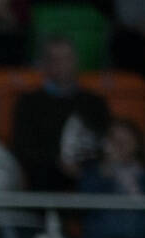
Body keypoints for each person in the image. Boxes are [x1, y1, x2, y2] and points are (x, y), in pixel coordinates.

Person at [12, 36, 112, 192]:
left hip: (90, 180)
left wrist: (84, 168)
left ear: (76, 61)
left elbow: (104, 141)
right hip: (42, 181)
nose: (62, 65)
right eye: (55, 59)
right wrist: (58, 164)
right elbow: (23, 148)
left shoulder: (94, 102)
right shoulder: (29, 102)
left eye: (67, 58)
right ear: (44, 64)